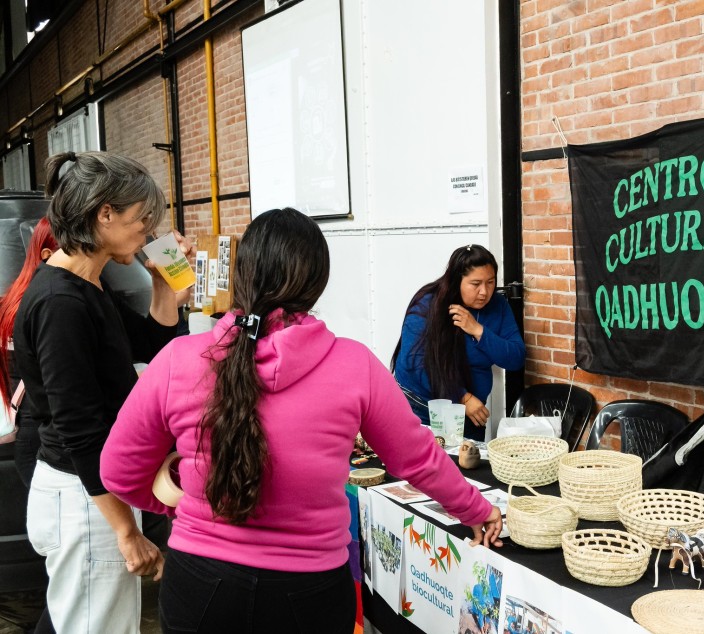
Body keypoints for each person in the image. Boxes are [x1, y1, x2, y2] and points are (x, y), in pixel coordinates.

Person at [100, 207, 503, 634]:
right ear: (317, 283)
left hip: (200, 585)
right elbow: (418, 460)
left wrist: (190, 505)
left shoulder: (179, 359)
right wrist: (477, 509)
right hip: (310, 593)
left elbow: (118, 472)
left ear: (243, 273)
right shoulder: (354, 364)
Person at [13, 151, 190, 634]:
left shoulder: (89, 287)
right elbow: (80, 428)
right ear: (104, 213)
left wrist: (162, 284)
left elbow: (152, 343)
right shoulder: (60, 303)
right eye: (140, 218)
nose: (146, 229)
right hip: (84, 500)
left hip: (90, 495)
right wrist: (126, 531)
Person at [391, 244, 525, 441]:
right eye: (475, 283)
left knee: (466, 467)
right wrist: (463, 397)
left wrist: (478, 331)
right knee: (422, 467)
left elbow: (516, 358)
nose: (484, 292)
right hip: (420, 404)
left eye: (490, 282)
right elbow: (415, 364)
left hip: (470, 413)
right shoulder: (427, 303)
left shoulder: (497, 305)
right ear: (456, 281)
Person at [0, 218, 58, 486]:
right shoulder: (46, 303)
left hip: (25, 427)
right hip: (46, 433)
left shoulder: (11, 301)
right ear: (47, 254)